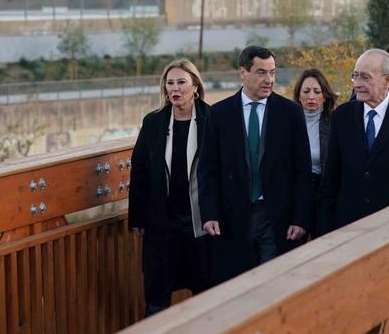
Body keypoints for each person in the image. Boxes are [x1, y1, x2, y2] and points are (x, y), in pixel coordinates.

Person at [198, 45, 313, 284]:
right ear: (243, 73)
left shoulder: (291, 113)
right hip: (233, 217)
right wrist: (209, 213)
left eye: (272, 73)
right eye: (261, 72)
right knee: (239, 286)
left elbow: (302, 172)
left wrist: (300, 218)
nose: (269, 79)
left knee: (273, 285)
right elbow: (208, 169)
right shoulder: (219, 114)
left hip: (276, 217)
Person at [318, 49, 389, 234]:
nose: (357, 84)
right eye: (355, 76)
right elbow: (331, 178)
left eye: (365, 77)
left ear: (387, 80)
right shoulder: (342, 116)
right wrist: (324, 231)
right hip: (347, 230)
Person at [129, 60, 211, 316]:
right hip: (163, 223)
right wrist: (139, 219)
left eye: (181, 82)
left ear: (195, 86)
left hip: (202, 223)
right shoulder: (153, 123)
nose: (175, 88)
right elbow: (139, 169)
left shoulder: (213, 119)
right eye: (170, 83)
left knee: (207, 294)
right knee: (156, 298)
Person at [292, 67, 337, 189]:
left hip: (324, 189)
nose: (311, 96)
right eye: (306, 91)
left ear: (325, 96)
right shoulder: (289, 121)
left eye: (317, 91)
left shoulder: (335, 123)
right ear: (298, 95)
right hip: (295, 189)